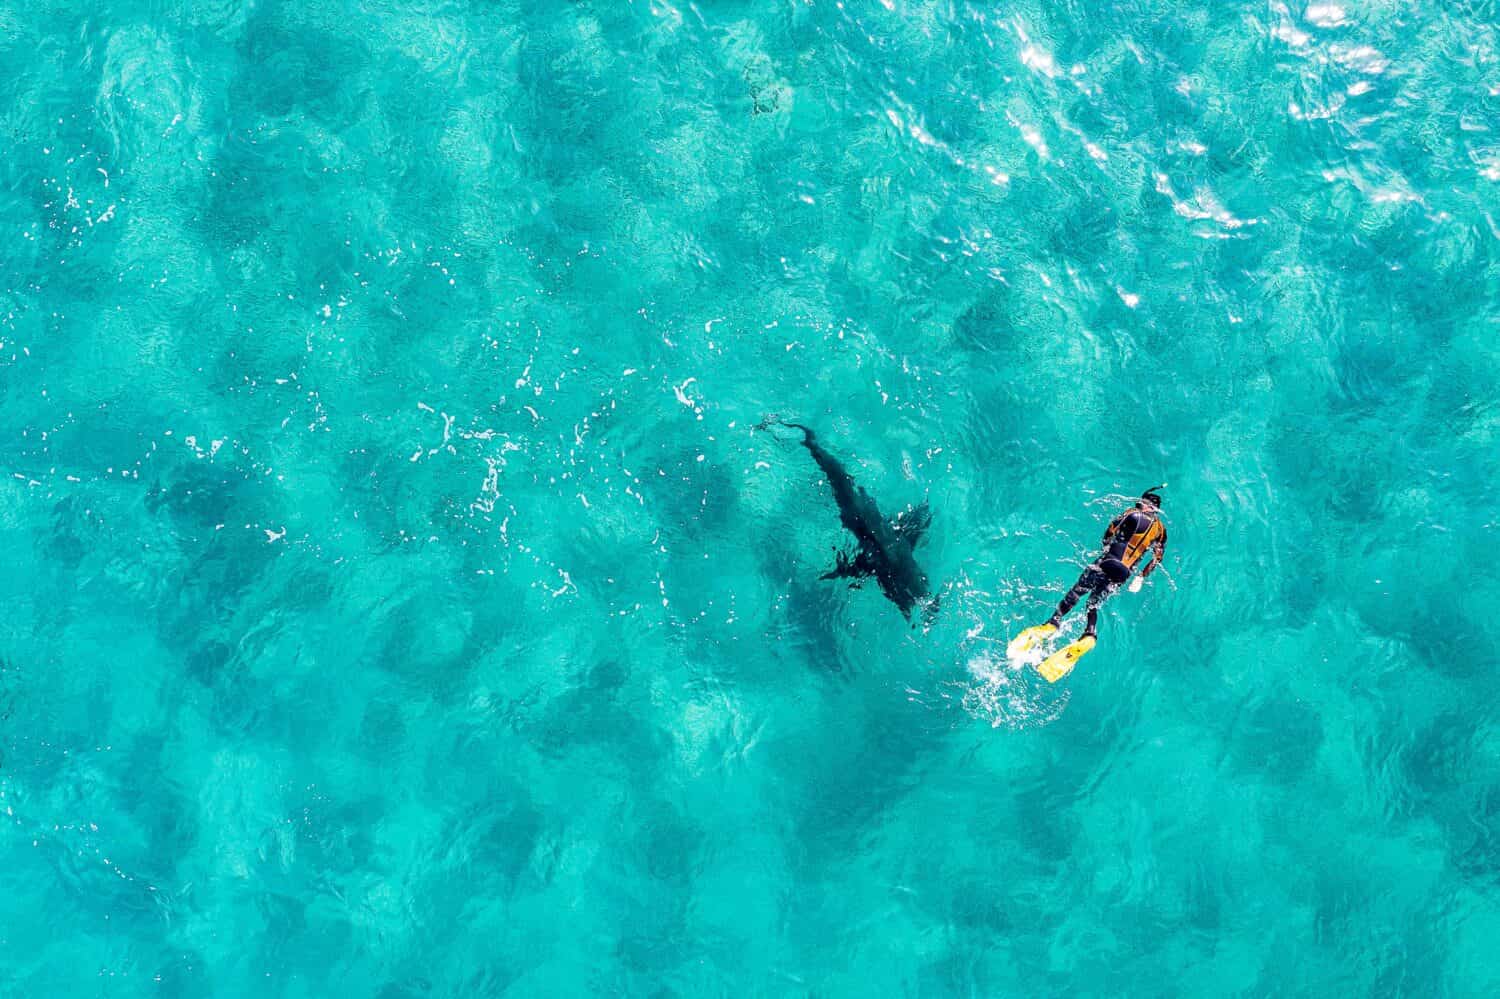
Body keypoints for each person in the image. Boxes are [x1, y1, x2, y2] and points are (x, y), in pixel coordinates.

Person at [1008, 488, 1168, 681]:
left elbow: (1111, 530)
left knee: (1076, 592)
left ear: (1144, 503)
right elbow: (1158, 557)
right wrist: (1141, 577)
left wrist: (1106, 546)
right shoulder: (1161, 531)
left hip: (1108, 561)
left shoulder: (1133, 514)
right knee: (1093, 604)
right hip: (1124, 574)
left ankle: (1052, 623)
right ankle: (1090, 633)